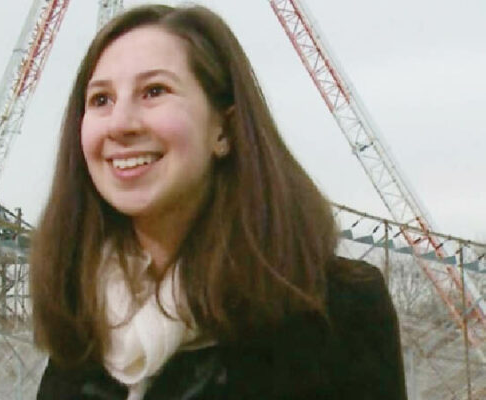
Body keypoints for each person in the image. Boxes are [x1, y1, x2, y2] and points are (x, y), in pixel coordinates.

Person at [30, 4, 407, 399]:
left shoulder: (338, 316)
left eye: (154, 91)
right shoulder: (81, 329)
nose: (121, 122)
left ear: (224, 129)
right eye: (101, 99)